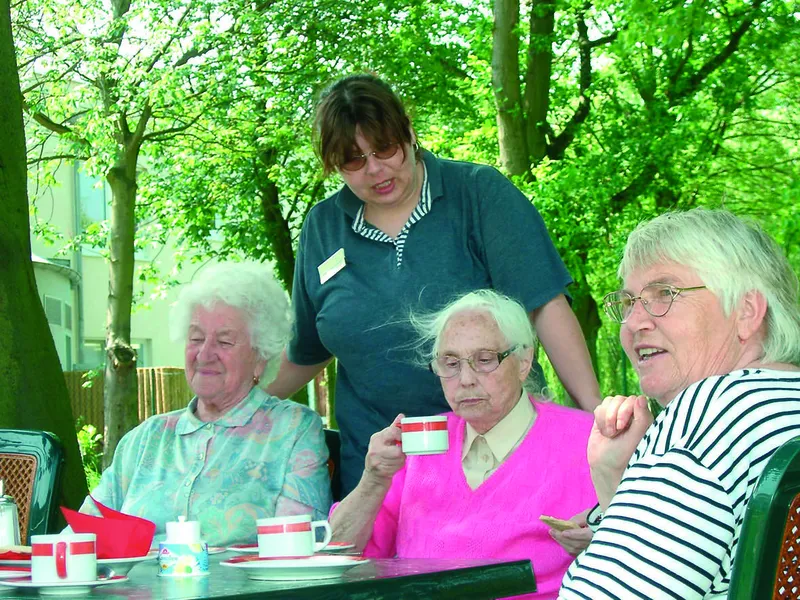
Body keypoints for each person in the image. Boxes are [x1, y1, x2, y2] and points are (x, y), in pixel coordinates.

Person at [268, 73, 601, 495]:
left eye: (385, 148)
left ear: (408, 130)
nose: (375, 169)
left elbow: (546, 306)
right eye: (353, 160)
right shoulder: (322, 227)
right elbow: (307, 349)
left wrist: (594, 412)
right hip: (378, 474)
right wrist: (232, 406)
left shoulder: (478, 195)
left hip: (494, 461)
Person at [558, 208, 800, 599]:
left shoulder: (710, 415)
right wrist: (613, 481)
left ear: (746, 311)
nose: (633, 323)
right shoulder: (784, 406)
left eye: (664, 294)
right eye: (628, 302)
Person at [330, 290, 597, 600]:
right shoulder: (418, 446)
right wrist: (373, 480)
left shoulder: (586, 441)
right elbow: (335, 555)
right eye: (451, 363)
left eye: (484, 360)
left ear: (524, 361)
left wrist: (604, 536)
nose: (466, 379)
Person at [78, 262, 333, 546]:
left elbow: (294, 553)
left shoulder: (293, 430)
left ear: (261, 357)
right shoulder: (145, 439)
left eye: (224, 342)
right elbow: (83, 537)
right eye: (196, 338)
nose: (205, 353)